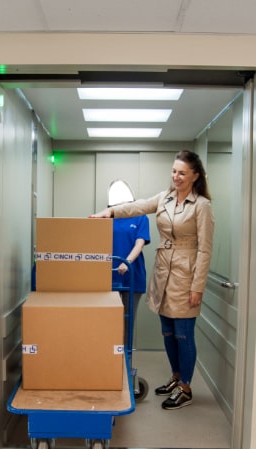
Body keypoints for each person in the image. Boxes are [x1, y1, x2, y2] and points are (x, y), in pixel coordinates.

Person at [90, 150, 214, 410]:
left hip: (186, 273)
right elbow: (137, 206)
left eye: (182, 172)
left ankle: (186, 387)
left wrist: (197, 287)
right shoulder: (165, 198)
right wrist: (109, 213)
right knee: (167, 331)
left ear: (195, 176)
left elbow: (205, 249)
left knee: (183, 333)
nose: (176, 176)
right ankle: (176, 377)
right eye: (173, 171)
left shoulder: (201, 205)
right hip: (164, 271)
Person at [107, 180, 151, 348]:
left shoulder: (141, 217)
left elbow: (139, 243)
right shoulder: (108, 215)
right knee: (109, 322)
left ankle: (125, 362)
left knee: (127, 321)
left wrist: (127, 262)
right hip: (109, 276)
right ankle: (108, 360)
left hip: (132, 275)